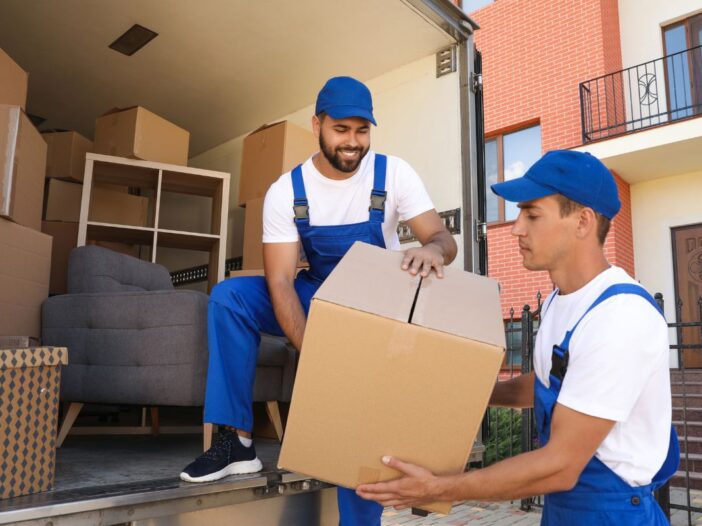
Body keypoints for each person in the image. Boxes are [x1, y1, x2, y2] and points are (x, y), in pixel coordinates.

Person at [180, 75, 457, 526]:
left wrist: (431, 249)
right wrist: (319, 357)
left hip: (372, 307)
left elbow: (444, 239)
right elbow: (282, 283)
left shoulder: (393, 173)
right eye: (341, 130)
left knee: (358, 418)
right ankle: (237, 443)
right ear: (317, 125)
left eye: (362, 130)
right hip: (314, 293)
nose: (353, 142)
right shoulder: (287, 191)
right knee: (229, 297)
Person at [356, 150, 679, 525]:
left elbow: (559, 466)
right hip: (565, 509)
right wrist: (479, 395)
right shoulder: (562, 300)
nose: (516, 228)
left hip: (612, 512)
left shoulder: (619, 316)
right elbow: (552, 385)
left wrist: (438, 488)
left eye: (532, 214)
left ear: (583, 222)